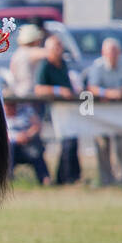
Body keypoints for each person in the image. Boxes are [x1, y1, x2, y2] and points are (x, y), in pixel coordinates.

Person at [84, 37, 122, 186]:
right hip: (102, 113)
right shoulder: (98, 66)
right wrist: (108, 93)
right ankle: (105, 179)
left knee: (120, 143)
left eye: (115, 52)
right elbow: (91, 87)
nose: (112, 55)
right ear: (103, 53)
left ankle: (121, 179)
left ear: (119, 52)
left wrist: (120, 92)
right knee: (102, 144)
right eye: (109, 52)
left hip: (120, 113)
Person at [34, 34, 81, 185]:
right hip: (51, 111)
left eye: (60, 47)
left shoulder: (64, 64)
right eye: (55, 47)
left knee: (72, 140)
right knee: (66, 141)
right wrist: (58, 90)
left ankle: (70, 176)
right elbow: (39, 89)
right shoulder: (45, 65)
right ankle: (64, 177)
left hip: (68, 110)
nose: (59, 50)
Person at [6, 99, 50, 186]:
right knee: (9, 147)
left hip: (27, 143)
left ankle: (45, 179)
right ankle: (7, 178)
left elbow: (37, 126)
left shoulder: (26, 110)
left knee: (36, 151)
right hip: (9, 146)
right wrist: (15, 137)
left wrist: (27, 135)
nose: (10, 107)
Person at [6, 24, 46, 97]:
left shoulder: (17, 53)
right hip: (29, 93)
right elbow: (50, 54)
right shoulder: (31, 51)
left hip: (18, 91)